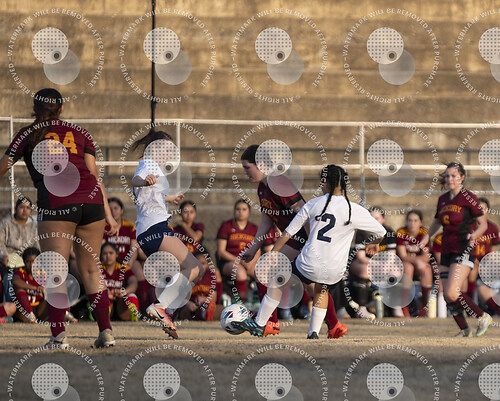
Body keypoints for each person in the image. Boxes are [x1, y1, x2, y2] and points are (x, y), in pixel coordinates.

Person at [0, 88, 119, 348]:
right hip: (92, 202)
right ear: (61, 109)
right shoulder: (80, 132)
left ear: (34, 109)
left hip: (58, 203)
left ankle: (58, 337)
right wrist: (109, 214)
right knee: (91, 269)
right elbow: (94, 174)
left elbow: (3, 166)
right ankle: (106, 332)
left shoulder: (27, 134)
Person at [234, 165, 386, 338]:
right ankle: (314, 333)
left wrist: (274, 253)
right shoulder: (354, 210)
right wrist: (374, 243)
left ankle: (261, 324)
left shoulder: (314, 204)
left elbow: (288, 232)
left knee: (276, 278)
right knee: (321, 289)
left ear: (325, 182)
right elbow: (381, 232)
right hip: (335, 271)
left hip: (309, 264)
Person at [240, 145, 345, 338]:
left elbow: (304, 212)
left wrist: (313, 244)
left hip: (301, 238)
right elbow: (266, 221)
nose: (245, 172)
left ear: (260, 164)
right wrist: (254, 248)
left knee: (264, 270)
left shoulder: (279, 182)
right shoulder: (263, 187)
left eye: (247, 167)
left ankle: (270, 322)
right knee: (311, 287)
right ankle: (335, 325)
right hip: (294, 239)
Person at [131, 129, 205, 339]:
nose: (169, 153)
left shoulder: (154, 168)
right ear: (154, 148)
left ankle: (167, 312)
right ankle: (160, 307)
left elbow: (149, 196)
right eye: (165, 148)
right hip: (154, 229)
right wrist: (144, 181)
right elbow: (136, 179)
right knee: (194, 267)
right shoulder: (149, 164)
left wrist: (169, 198)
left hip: (150, 230)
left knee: (194, 271)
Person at [421, 162, 491, 337]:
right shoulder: (443, 199)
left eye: (453, 175)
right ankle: (464, 329)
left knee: (453, 292)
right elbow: (437, 222)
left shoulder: (469, 198)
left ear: (462, 177)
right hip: (446, 248)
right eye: (447, 176)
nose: (449, 179)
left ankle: (482, 316)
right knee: (447, 295)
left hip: (463, 248)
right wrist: (427, 236)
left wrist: (474, 235)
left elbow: (482, 224)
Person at [102, 197, 152, 312]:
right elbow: (103, 247)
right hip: (110, 261)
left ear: (122, 210)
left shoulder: (130, 226)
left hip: (128, 260)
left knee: (140, 274)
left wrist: (129, 263)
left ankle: (143, 308)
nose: (113, 211)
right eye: (110, 209)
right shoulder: (104, 227)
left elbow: (134, 248)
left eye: (116, 208)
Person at [347, 206, 396, 319]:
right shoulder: (362, 231)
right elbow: (360, 257)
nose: (374, 221)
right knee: (365, 270)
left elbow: (391, 257)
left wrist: (383, 265)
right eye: (371, 218)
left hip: (380, 264)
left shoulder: (389, 232)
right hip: (361, 263)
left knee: (396, 271)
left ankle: (396, 308)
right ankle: (362, 308)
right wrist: (377, 264)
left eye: (377, 218)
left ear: (383, 219)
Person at [217, 199, 259, 303]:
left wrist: (251, 263)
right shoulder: (226, 226)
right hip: (229, 262)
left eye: (244, 209)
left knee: (261, 273)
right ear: (234, 211)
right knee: (240, 273)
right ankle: (242, 305)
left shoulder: (254, 228)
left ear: (249, 212)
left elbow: (258, 251)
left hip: (249, 262)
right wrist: (239, 261)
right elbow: (221, 251)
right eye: (238, 209)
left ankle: (261, 303)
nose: (241, 212)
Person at [396, 210, 433, 316]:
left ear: (421, 222)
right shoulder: (401, 232)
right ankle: (404, 306)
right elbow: (403, 256)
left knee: (426, 268)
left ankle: (424, 306)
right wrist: (417, 260)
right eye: (410, 220)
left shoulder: (424, 232)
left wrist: (417, 261)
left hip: (418, 265)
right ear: (406, 222)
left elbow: (426, 257)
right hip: (403, 265)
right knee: (408, 267)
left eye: (415, 221)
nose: (412, 223)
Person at [470, 198, 500, 315]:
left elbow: (492, 252)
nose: (481, 211)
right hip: (471, 262)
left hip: (486, 263)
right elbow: (467, 250)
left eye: (483, 209)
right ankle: (470, 306)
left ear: (488, 210)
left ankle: (494, 309)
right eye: (478, 208)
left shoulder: (492, 227)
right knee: (473, 271)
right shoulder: (469, 226)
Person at [99, 242, 139, 321]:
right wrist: (105, 293)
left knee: (131, 295)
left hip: (121, 304)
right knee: (99, 297)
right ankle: (102, 313)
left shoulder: (123, 268)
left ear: (117, 254)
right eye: (105, 254)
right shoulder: (98, 269)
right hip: (107, 300)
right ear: (101, 256)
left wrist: (124, 292)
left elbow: (134, 283)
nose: (108, 256)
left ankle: (133, 312)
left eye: (111, 253)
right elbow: (92, 286)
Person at [177, 250, 217, 321]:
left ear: (208, 264)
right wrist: (188, 303)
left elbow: (214, 297)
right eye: (198, 263)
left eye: (203, 263)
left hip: (205, 305)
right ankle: (202, 315)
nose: (201, 266)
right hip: (189, 306)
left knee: (218, 308)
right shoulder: (188, 276)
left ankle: (204, 314)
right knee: (185, 311)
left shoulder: (211, 276)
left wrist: (204, 299)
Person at [0, 197, 39, 268]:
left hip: (28, 261)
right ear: (15, 208)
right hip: (8, 260)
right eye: (22, 207)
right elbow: (1, 243)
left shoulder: (34, 225)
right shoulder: (5, 223)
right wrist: (3, 256)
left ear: (31, 210)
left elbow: (37, 245)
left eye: (28, 208)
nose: (24, 210)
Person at [12, 247, 48, 322]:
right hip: (25, 311)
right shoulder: (20, 272)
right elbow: (15, 281)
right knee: (19, 288)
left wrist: (45, 289)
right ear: (24, 262)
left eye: (34, 262)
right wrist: (35, 288)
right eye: (28, 262)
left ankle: (64, 314)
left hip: (39, 308)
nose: (32, 265)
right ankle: (31, 315)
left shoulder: (43, 274)